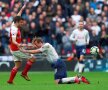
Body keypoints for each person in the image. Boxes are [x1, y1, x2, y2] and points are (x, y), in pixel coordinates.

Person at [20, 37, 90, 84]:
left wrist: (25, 51)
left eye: (36, 44)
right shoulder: (43, 48)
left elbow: (36, 51)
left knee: (57, 81)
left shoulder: (46, 45)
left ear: (39, 42)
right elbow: (33, 47)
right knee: (62, 81)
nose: (35, 46)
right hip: (58, 64)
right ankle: (78, 79)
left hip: (58, 63)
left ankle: (78, 79)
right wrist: (23, 46)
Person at [7, 4, 35, 84]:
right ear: (17, 22)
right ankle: (24, 73)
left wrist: (22, 9)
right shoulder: (14, 30)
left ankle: (10, 81)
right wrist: (21, 45)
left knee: (17, 66)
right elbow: (13, 41)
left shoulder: (14, 23)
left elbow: (18, 15)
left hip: (13, 49)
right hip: (16, 49)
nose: (22, 23)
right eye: (21, 22)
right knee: (32, 58)